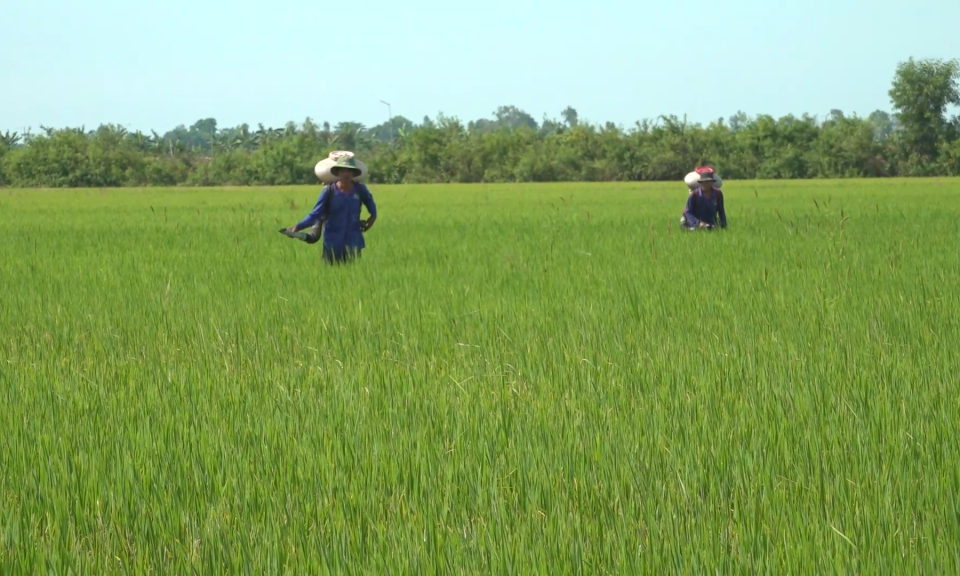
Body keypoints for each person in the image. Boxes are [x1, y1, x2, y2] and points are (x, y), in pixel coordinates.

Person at [281, 156, 377, 264]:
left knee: (352, 274)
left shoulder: (360, 190)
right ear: (338, 173)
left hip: (353, 240)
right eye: (343, 171)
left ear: (353, 174)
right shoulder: (329, 191)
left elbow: (371, 205)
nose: (346, 174)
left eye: (349, 171)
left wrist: (372, 218)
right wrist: (298, 226)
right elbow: (315, 214)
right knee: (331, 273)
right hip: (332, 241)